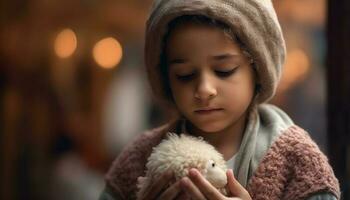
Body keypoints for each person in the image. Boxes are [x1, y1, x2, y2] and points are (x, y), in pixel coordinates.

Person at [99, 0, 340, 199]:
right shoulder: (140, 159)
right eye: (185, 75)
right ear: (166, 78)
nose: (204, 89)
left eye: (224, 70)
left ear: (257, 69)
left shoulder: (296, 159)